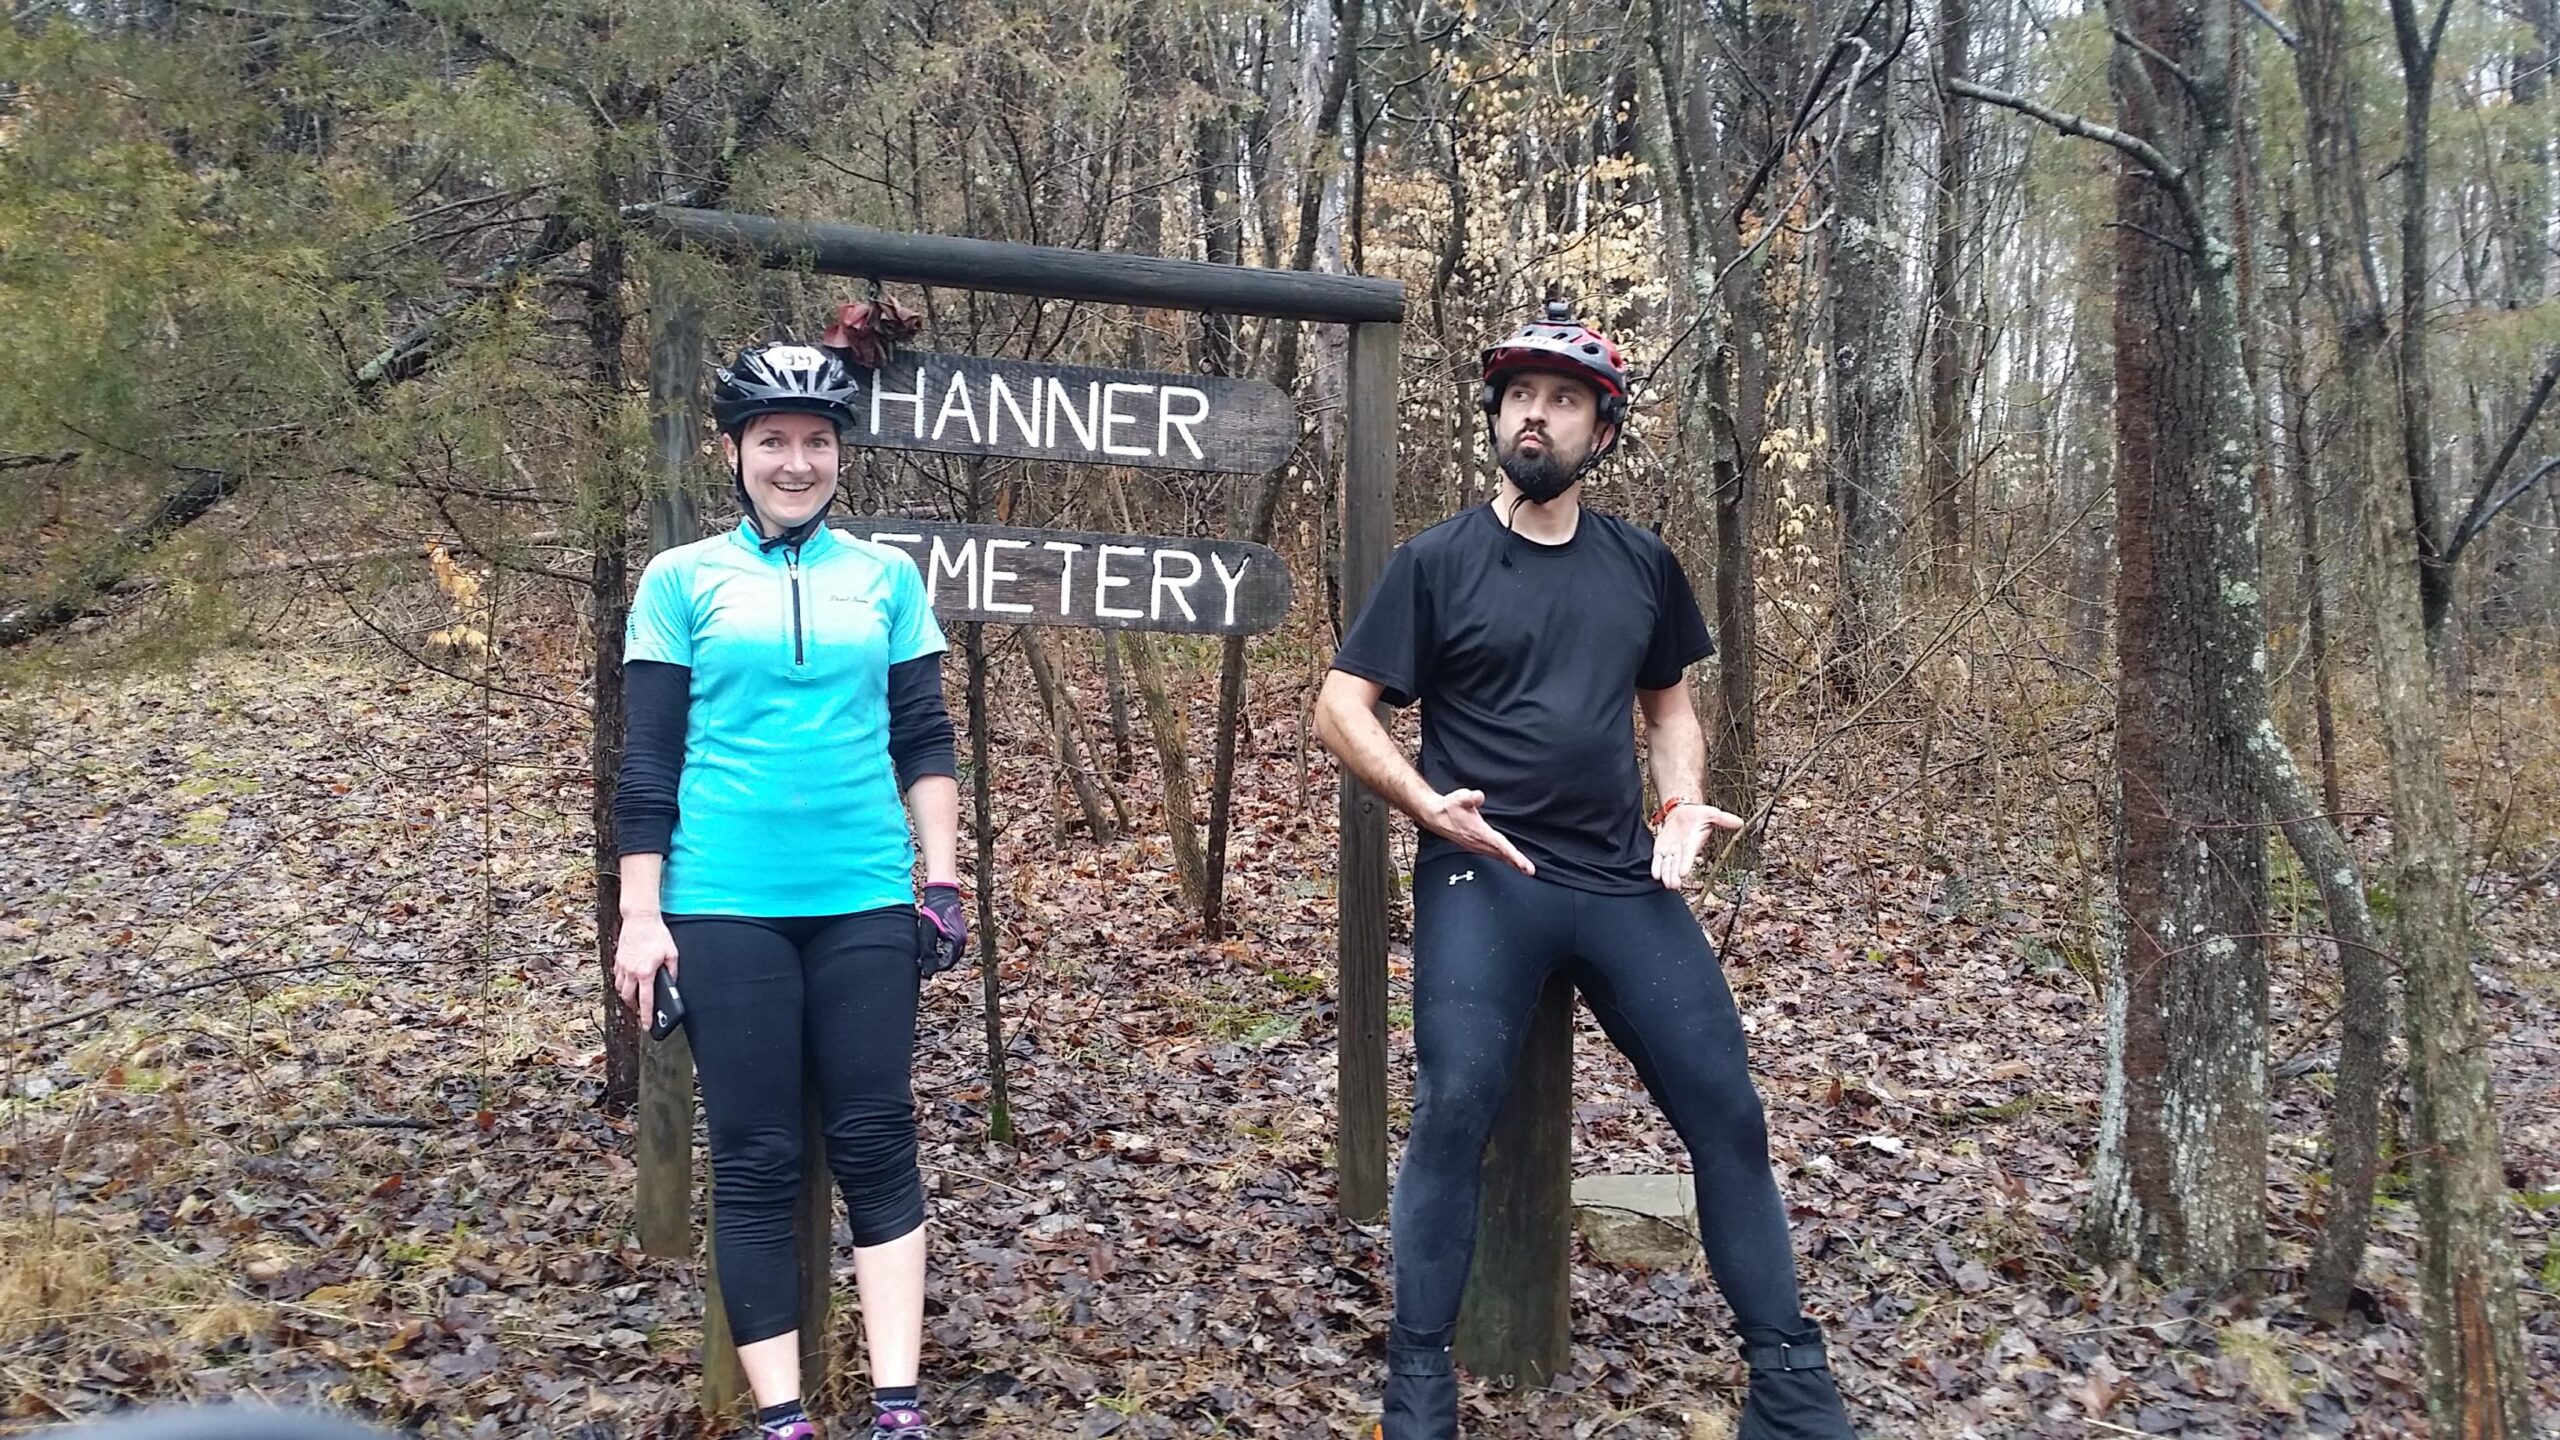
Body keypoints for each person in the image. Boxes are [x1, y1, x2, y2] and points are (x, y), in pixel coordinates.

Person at [1314, 303, 1857, 1440]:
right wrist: (1422, 804)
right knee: (1454, 1102)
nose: (1536, 415)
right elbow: (1340, 705)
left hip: (1618, 880)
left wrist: (1678, 801)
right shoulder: (1437, 560)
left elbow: (1670, 710)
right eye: (1520, 396)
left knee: (1726, 1109)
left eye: (1562, 401)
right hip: (1484, 876)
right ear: (1496, 415)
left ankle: (1792, 1390)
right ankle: (1419, 1385)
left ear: (1598, 433)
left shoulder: (1639, 565)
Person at [612, 341, 970, 1440]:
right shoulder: (681, 580)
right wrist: (639, 916)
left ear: (839, 457)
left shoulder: (887, 578)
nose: (797, 461)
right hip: (723, 904)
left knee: (875, 1135)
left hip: (863, 895)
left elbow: (923, 736)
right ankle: (782, 1419)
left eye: (816, 442)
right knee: (759, 1153)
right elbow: (648, 763)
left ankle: (899, 1407)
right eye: (773, 441)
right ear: (734, 451)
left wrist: (943, 878)